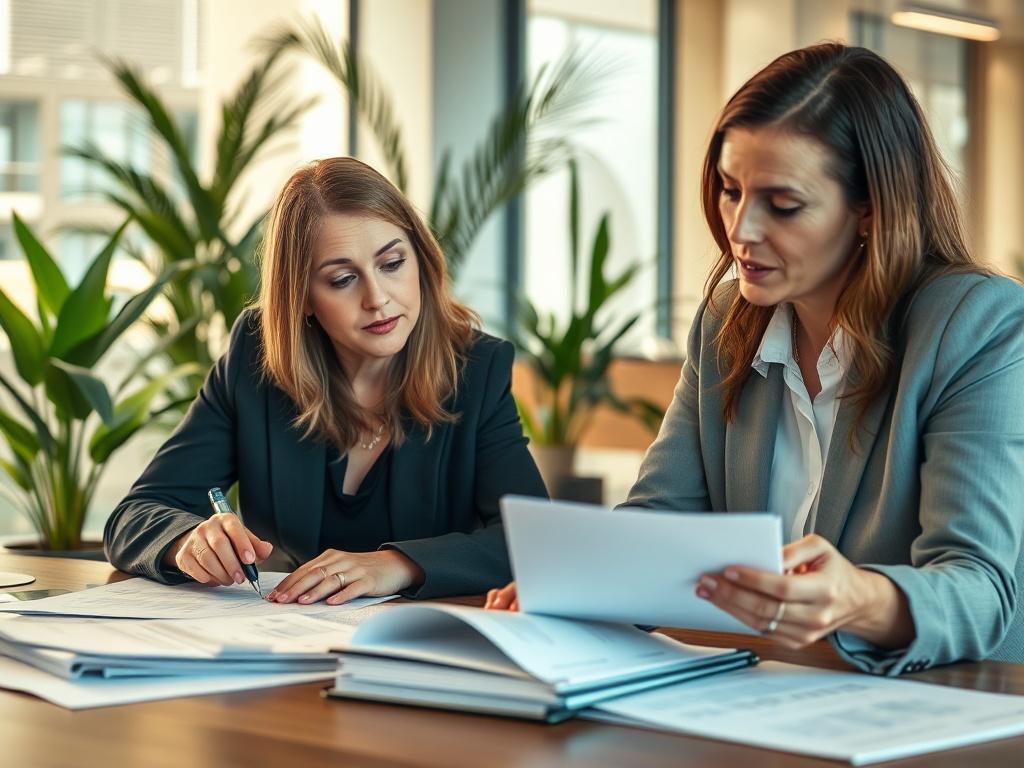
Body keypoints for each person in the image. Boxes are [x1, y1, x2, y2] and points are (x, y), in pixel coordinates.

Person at [487, 43, 1024, 675]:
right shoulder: (727, 322)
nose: (741, 229)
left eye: (783, 204)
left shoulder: (978, 324)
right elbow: (663, 516)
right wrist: (586, 589)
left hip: (941, 705)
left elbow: (981, 589)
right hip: (764, 689)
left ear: (870, 211)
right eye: (730, 190)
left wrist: (857, 598)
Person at [104, 157, 547, 604]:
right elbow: (133, 517)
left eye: (392, 263)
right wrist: (189, 542)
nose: (377, 299)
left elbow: (533, 541)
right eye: (342, 279)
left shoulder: (477, 367)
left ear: (421, 261)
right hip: (283, 642)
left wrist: (396, 565)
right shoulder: (255, 358)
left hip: (421, 652)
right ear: (302, 298)